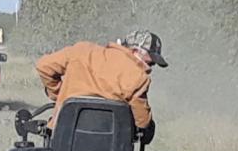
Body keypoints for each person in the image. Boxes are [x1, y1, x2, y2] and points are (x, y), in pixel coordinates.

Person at [35, 30, 168, 131]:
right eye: (150, 63)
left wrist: (57, 94)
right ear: (135, 51)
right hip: (110, 150)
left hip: (63, 136)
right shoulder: (138, 78)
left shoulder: (81, 51)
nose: (150, 68)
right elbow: (143, 122)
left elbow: (43, 66)